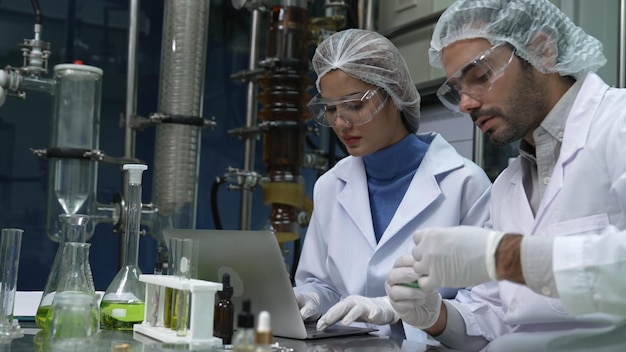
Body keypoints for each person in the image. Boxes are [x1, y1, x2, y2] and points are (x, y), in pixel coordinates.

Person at [385, 0, 626, 350]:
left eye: (480, 76)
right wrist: (434, 315)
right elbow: (499, 316)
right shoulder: (507, 186)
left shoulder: (618, 125)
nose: (465, 103)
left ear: (542, 50)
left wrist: (505, 256)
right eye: (457, 89)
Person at [293, 28, 492, 342]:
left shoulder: (464, 183)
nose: (341, 123)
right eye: (331, 110)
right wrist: (311, 299)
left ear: (395, 95)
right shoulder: (330, 186)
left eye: (354, 106)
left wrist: (407, 309)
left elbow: (486, 313)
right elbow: (326, 286)